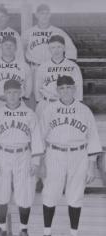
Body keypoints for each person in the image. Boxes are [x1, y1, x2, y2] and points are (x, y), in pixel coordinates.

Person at [39, 75, 102, 236]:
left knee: (76, 194)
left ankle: (74, 233)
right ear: (57, 91)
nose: (65, 91)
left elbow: (93, 137)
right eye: (61, 88)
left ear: (74, 89)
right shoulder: (49, 109)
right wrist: (40, 162)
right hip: (55, 153)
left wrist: (91, 165)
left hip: (79, 154)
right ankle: (47, 232)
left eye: (68, 87)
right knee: (50, 193)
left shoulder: (84, 110)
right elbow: (39, 137)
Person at [0, 79, 44, 236]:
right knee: (1, 193)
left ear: (21, 93)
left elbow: (37, 139)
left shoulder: (29, 114)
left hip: (23, 154)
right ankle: (2, 228)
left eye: (15, 92)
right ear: (4, 94)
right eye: (9, 93)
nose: (12, 96)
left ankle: (23, 229)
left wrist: (36, 161)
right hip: (3, 154)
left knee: (25, 193)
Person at [35, 35, 83, 117]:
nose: (56, 50)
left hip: (66, 105)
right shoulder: (43, 66)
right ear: (49, 49)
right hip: (48, 103)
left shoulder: (72, 66)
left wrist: (76, 104)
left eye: (59, 47)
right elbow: (38, 88)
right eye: (53, 47)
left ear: (64, 48)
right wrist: (40, 102)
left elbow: (78, 88)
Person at [0, 35, 32, 116]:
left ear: (16, 48)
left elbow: (28, 88)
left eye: (11, 45)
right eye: (6, 45)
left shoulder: (24, 66)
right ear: (1, 47)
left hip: (18, 103)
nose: (8, 47)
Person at [23, 4, 77, 68]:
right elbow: (19, 50)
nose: (44, 16)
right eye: (42, 13)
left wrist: (66, 66)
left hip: (52, 67)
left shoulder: (58, 32)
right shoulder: (28, 32)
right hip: (34, 67)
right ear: (36, 15)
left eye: (47, 14)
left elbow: (71, 50)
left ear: (50, 15)